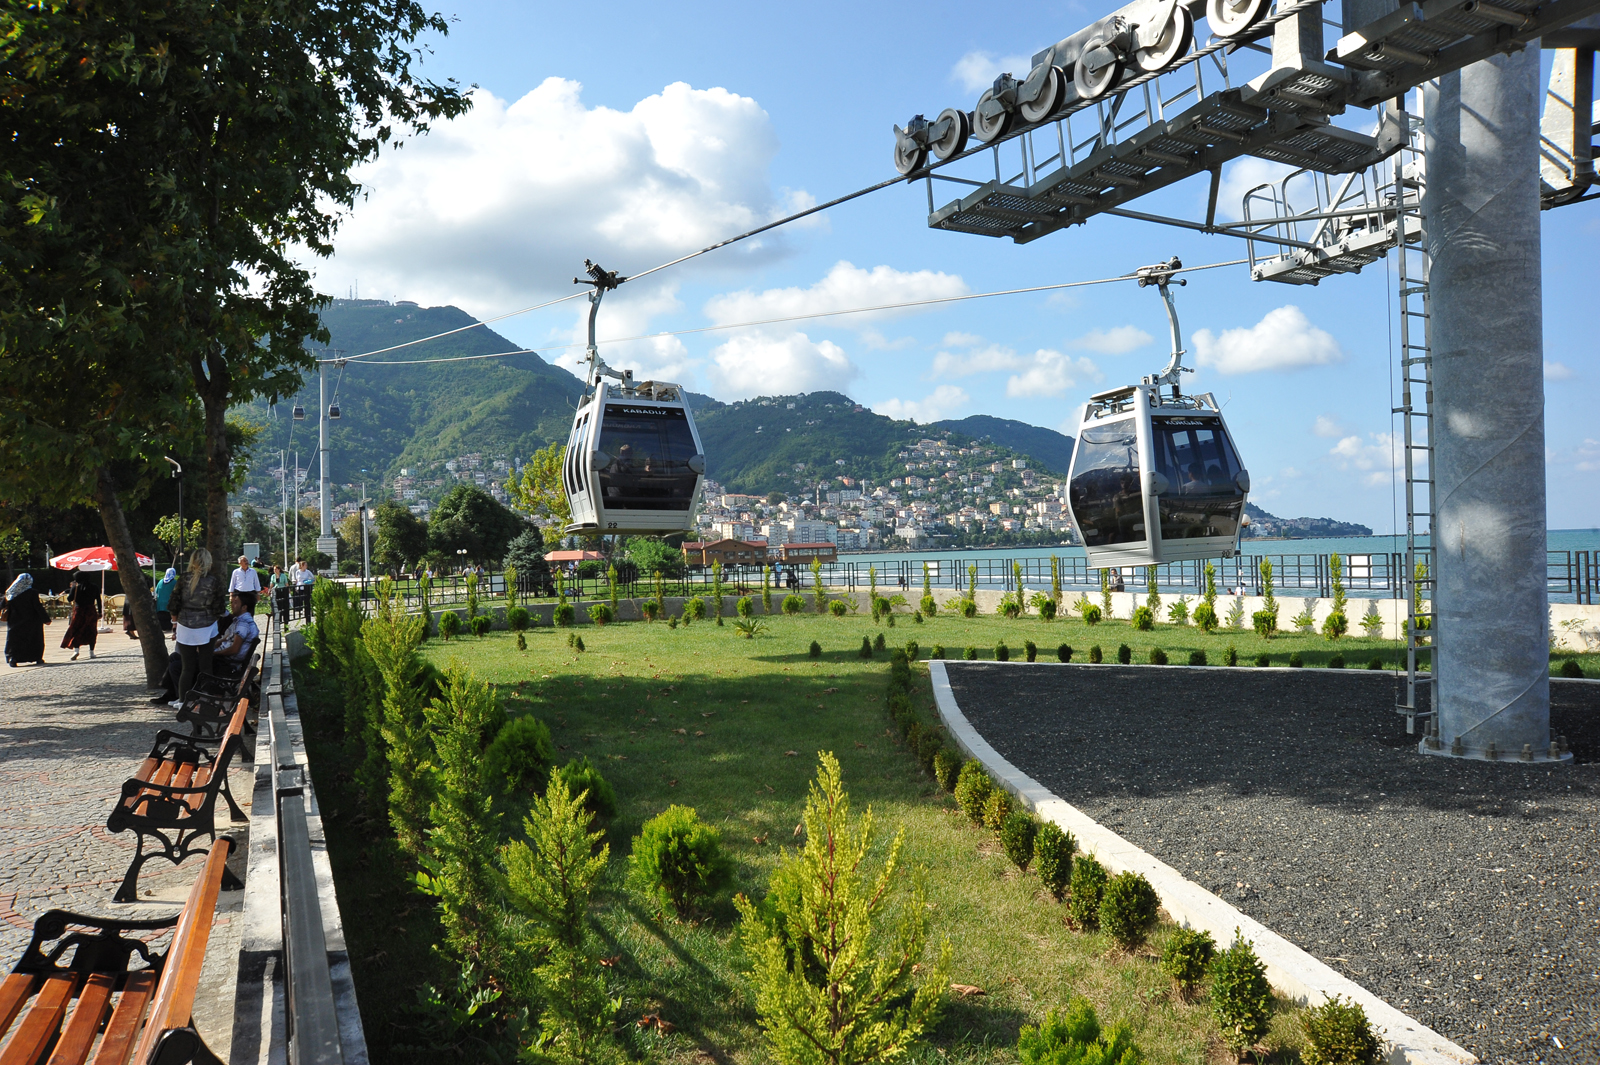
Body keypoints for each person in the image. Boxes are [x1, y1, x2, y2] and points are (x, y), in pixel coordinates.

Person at [148, 591, 259, 707]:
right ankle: (174, 694)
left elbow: (234, 650)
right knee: (174, 657)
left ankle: (185, 697)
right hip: (221, 659)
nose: (232, 605)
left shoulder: (243, 624)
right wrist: (214, 646)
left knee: (177, 666)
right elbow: (226, 640)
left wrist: (212, 653)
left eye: (235, 603)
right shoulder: (239, 621)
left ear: (244, 607)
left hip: (224, 663)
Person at [166, 548, 224, 703]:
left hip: (185, 626)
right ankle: (207, 700)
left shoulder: (183, 579)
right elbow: (219, 608)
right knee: (206, 666)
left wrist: (174, 624)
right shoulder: (213, 581)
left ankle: (182, 701)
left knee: (187, 668)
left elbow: (173, 604)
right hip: (207, 626)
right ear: (208, 562)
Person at [3, 574, 50, 667]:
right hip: (32, 621)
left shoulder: (10, 592)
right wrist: (46, 619)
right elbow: (37, 606)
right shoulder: (32, 592)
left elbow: (3, 605)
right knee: (34, 639)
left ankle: (13, 658)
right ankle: (36, 657)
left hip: (14, 620)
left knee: (15, 640)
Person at [60, 570, 101, 660]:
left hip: (79, 610)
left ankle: (76, 650)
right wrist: (100, 612)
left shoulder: (76, 588)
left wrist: (72, 589)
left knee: (77, 629)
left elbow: (69, 599)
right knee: (92, 630)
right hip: (91, 610)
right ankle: (91, 652)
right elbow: (98, 600)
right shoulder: (94, 587)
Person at [154, 567, 178, 632]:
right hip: (169, 604)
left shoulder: (160, 582)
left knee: (161, 619)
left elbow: (156, 591)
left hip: (160, 605)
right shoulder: (175, 582)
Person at [293, 558, 315, 622]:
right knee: (300, 599)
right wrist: (296, 587)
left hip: (306, 586)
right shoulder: (298, 572)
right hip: (300, 586)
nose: (306, 566)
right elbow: (297, 579)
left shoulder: (307, 571)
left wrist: (310, 582)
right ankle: (300, 610)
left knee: (307, 599)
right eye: (305, 565)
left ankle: (308, 612)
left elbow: (313, 578)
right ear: (302, 566)